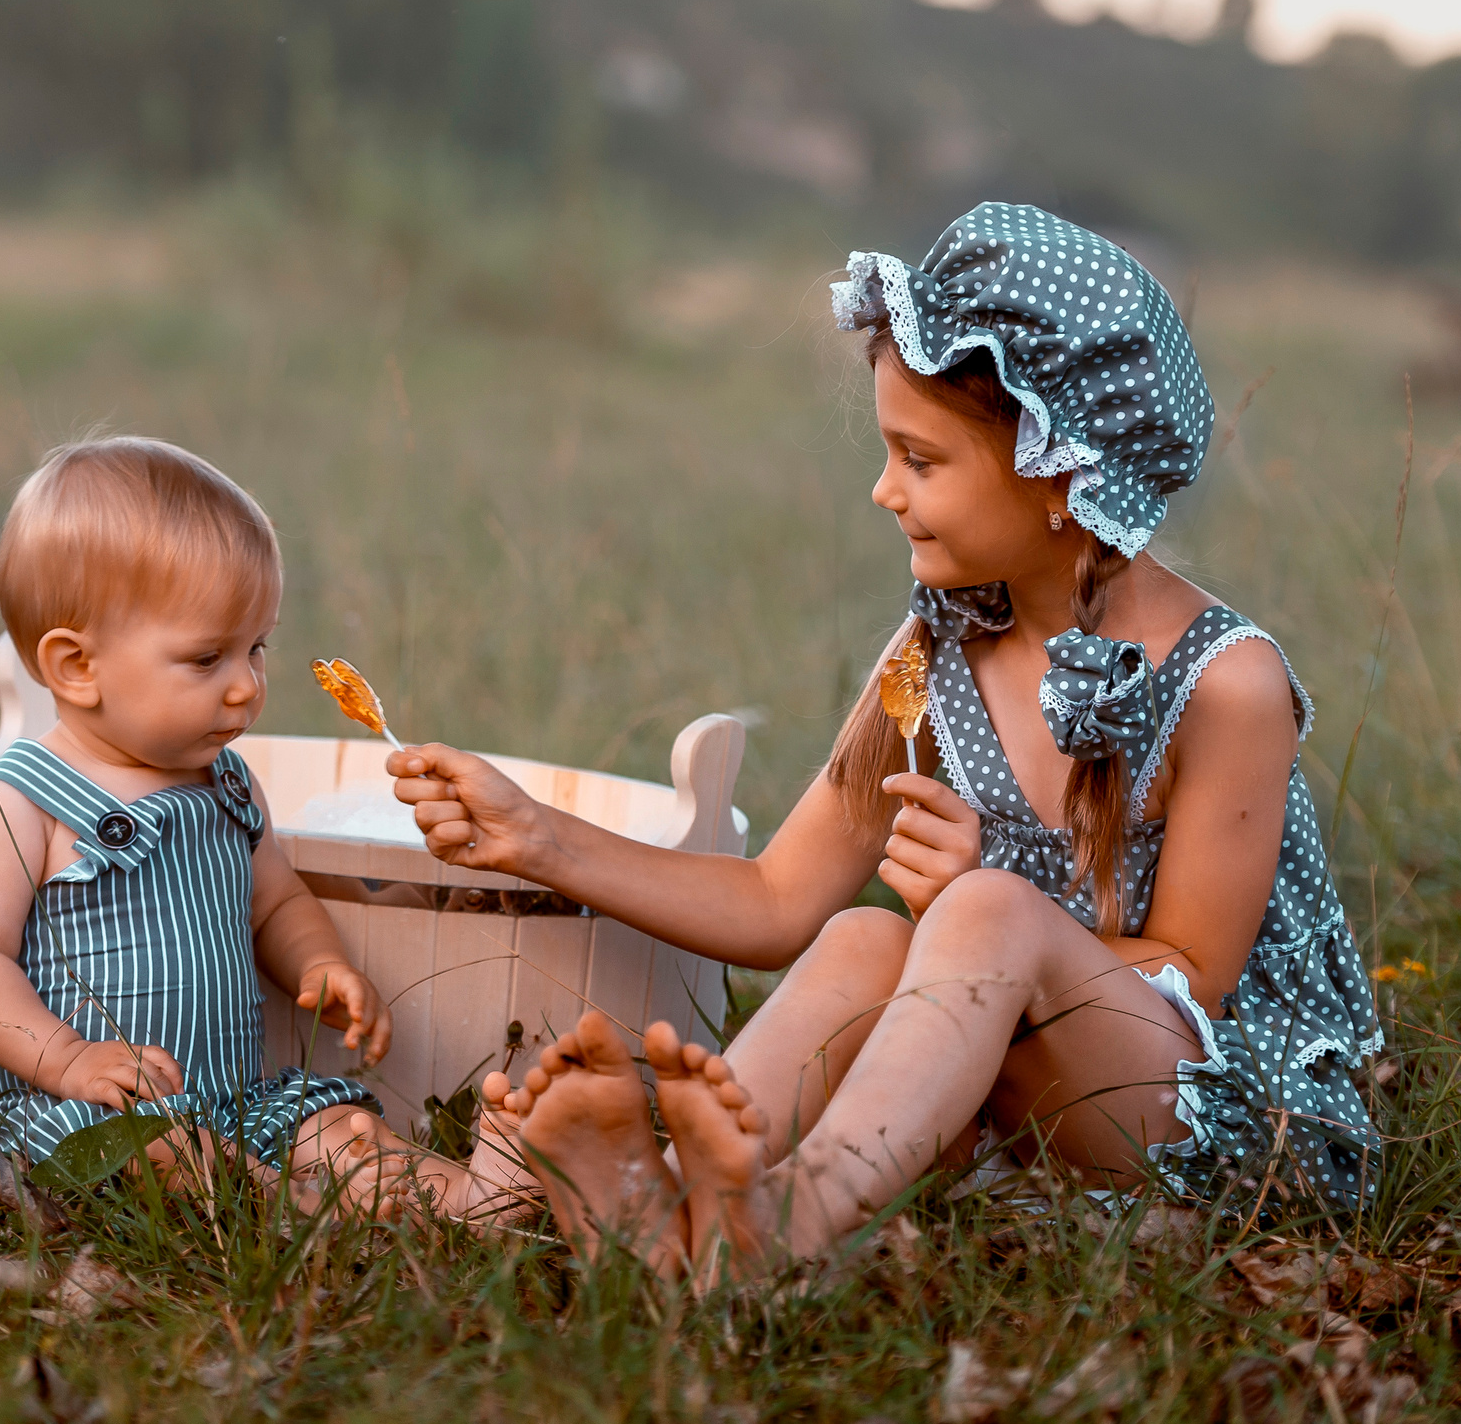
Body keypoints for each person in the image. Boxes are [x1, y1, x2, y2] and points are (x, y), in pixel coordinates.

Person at [388, 204, 1381, 1281]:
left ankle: (783, 1227)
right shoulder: (938, 648)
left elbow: (1196, 979)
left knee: (986, 908)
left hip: (1214, 1119)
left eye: (919, 458)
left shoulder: (1226, 683)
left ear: (1057, 473)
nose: (884, 490)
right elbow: (776, 901)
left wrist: (984, 909)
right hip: (1023, 1086)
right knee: (865, 941)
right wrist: (536, 838)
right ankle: (668, 1203)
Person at [0, 435, 521, 1216]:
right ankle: (291, 1208)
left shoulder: (230, 784)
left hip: (234, 1094)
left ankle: (478, 1198)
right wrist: (69, 1061)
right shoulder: (27, 802)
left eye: (257, 649)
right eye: (208, 659)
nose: (246, 688)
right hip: (86, 1107)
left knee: (339, 1126)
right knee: (165, 1152)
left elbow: (274, 902)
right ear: (77, 667)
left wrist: (319, 964)